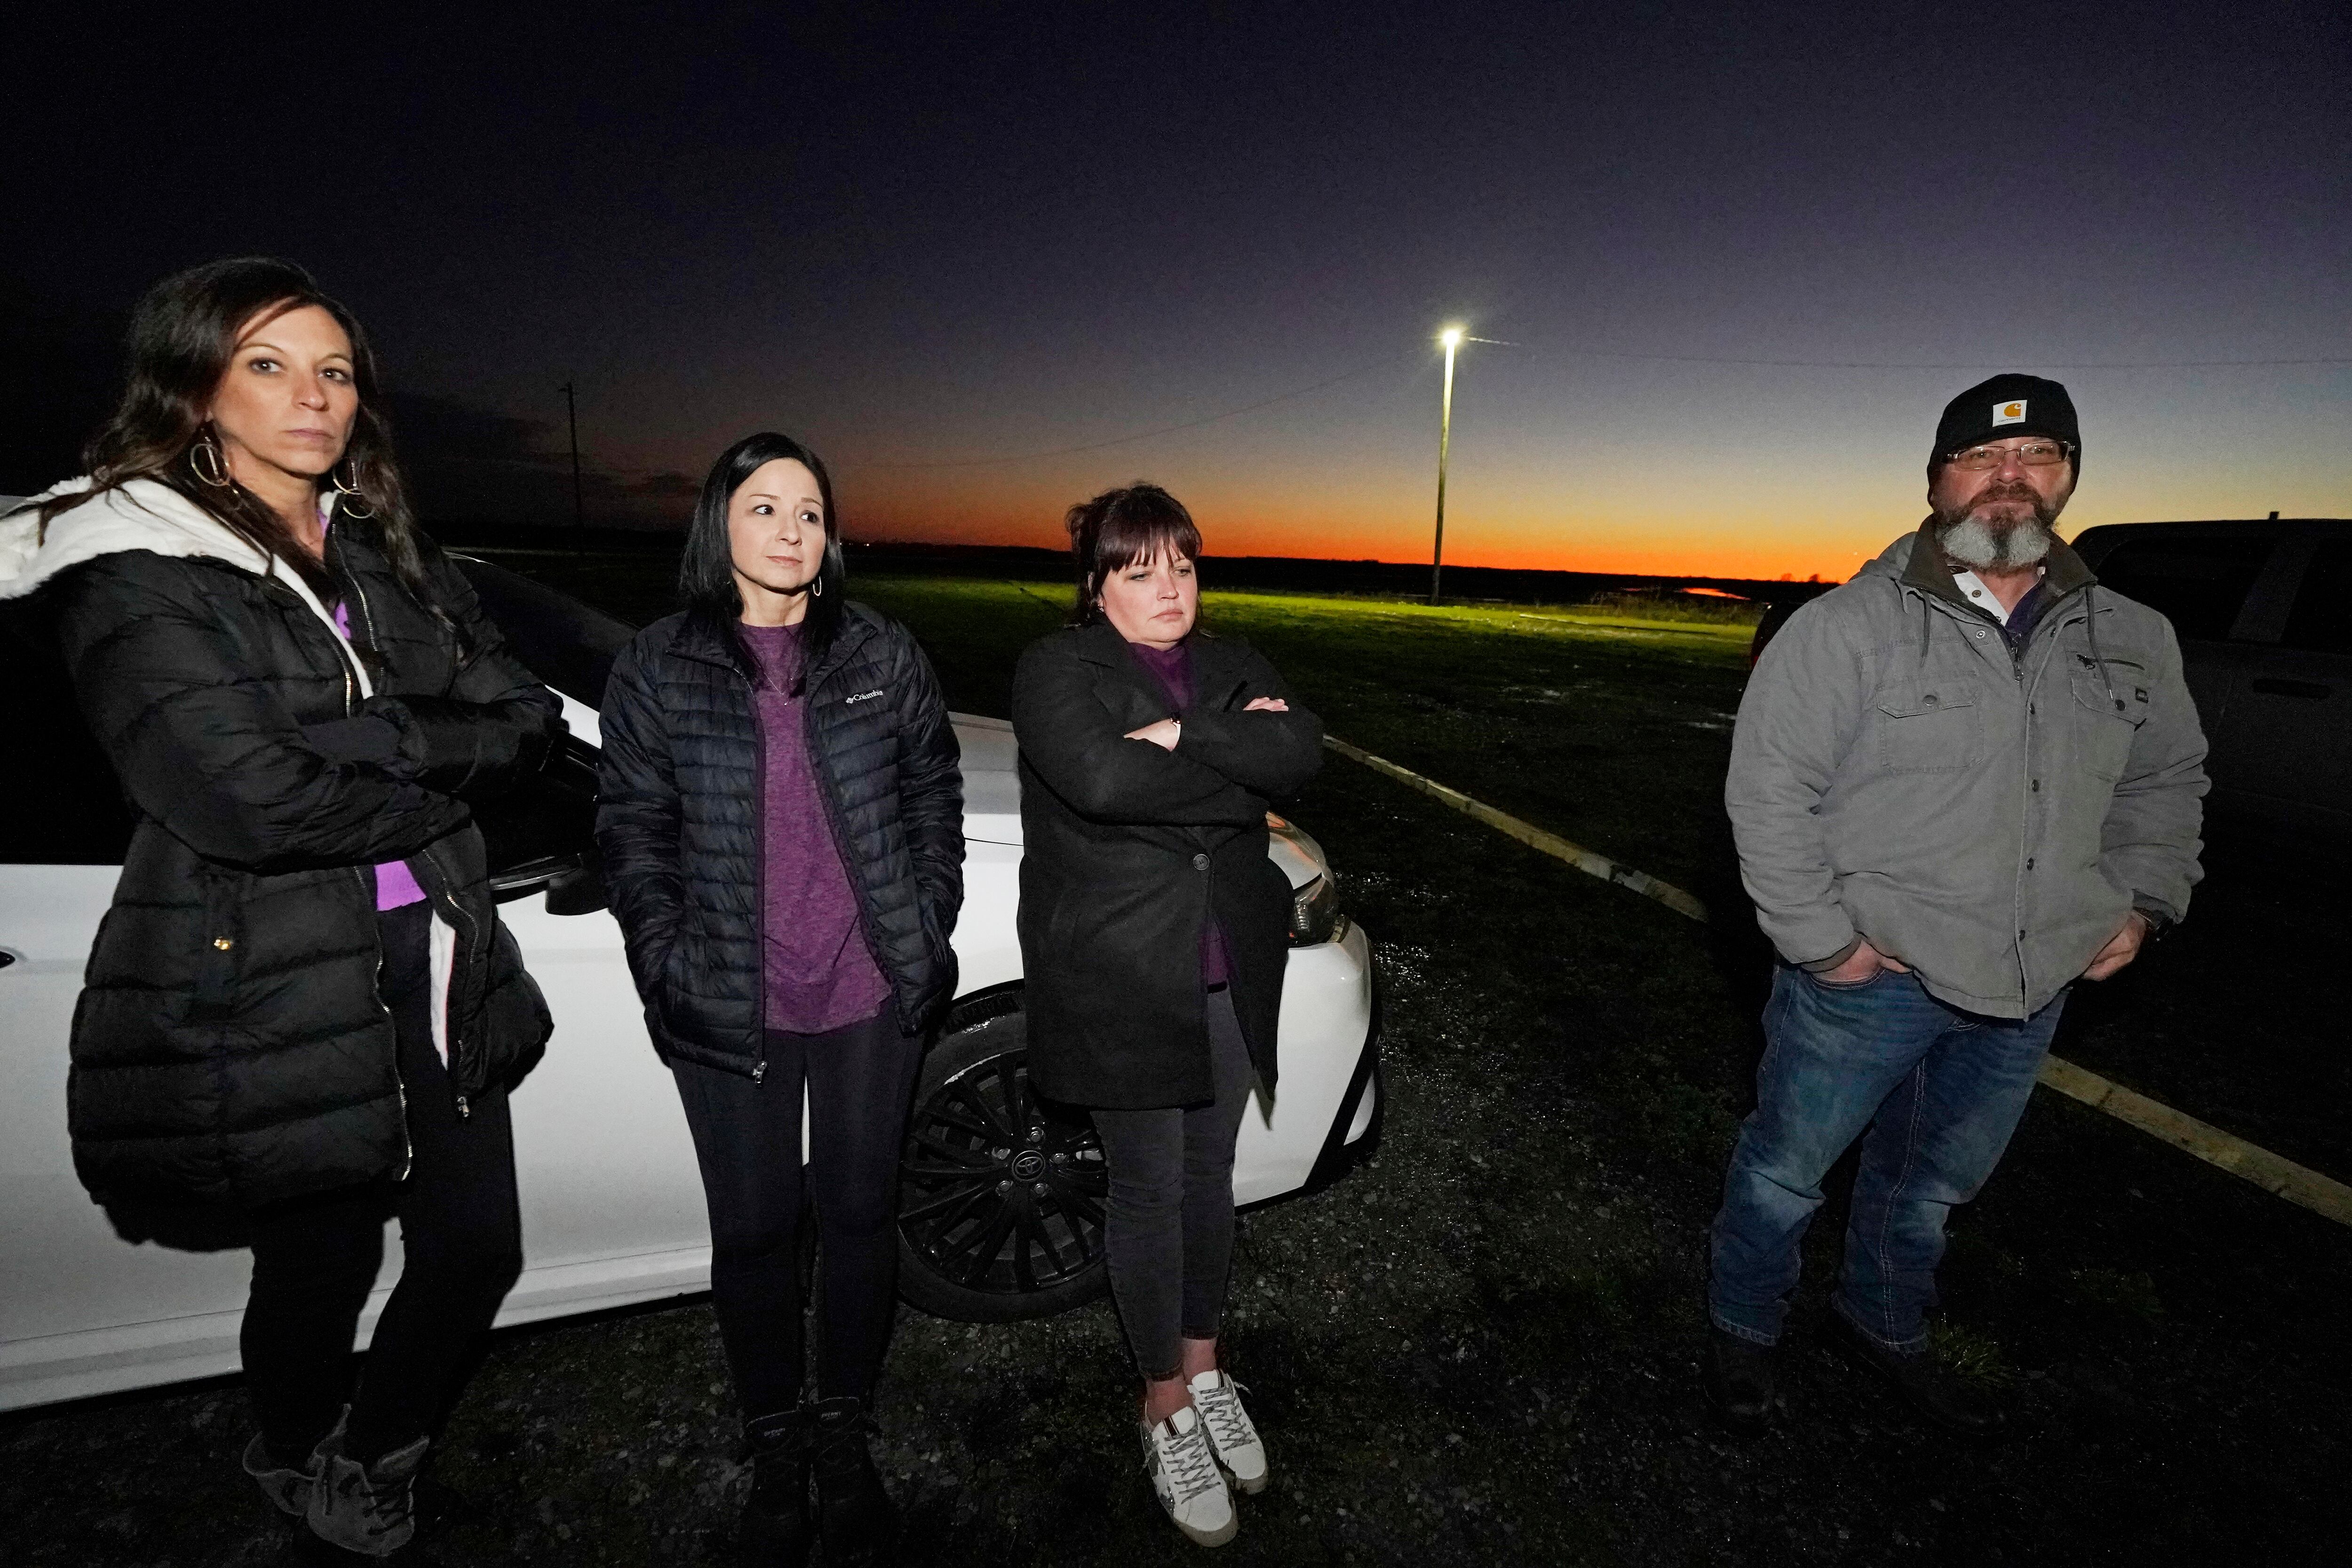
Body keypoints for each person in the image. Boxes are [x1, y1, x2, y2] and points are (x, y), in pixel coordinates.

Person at [0, 258, 562, 1556]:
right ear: (192, 382)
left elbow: (526, 717)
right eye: (268, 362)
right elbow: (249, 802)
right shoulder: (131, 556)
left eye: (336, 369)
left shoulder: (380, 547)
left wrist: (370, 744)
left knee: (475, 1245)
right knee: (316, 1265)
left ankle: (374, 1454)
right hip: (269, 959)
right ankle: (291, 1444)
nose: (314, 396)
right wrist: (440, 760)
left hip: (441, 943)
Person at [1709, 374, 2209, 1431]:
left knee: (1931, 1186)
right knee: (1784, 1171)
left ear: (2068, 476)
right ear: (1938, 478)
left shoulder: (2132, 635)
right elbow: (1766, 789)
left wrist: (2141, 905)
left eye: (2036, 459)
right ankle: (1744, 1331)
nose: (2009, 480)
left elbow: (2165, 781)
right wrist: (1823, 945)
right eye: (1982, 458)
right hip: (1868, 978)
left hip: (2034, 981)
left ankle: (1880, 1323)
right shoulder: (1848, 627)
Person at [595, 432, 962, 1568]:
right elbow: (632, 828)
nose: (793, 530)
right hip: (729, 997)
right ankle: (774, 1443)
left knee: (856, 1216)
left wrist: (926, 914)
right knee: (753, 1230)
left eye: (810, 511)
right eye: (767, 508)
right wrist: (666, 958)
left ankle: (843, 1433)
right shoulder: (659, 664)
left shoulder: (879, 651)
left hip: (863, 987)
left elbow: (933, 787)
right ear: (721, 525)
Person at [1010, 483, 1324, 1548]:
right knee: (1148, 1187)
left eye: (1182, 564)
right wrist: (1241, 769)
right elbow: (1099, 777)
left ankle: (1205, 1364)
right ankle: (1162, 1403)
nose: (1169, 587)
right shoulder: (1056, 667)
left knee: (1210, 1177)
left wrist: (1184, 731)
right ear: (1096, 585)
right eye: (1139, 568)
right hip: (1121, 972)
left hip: (1229, 961)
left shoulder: (1234, 663)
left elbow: (1304, 757)